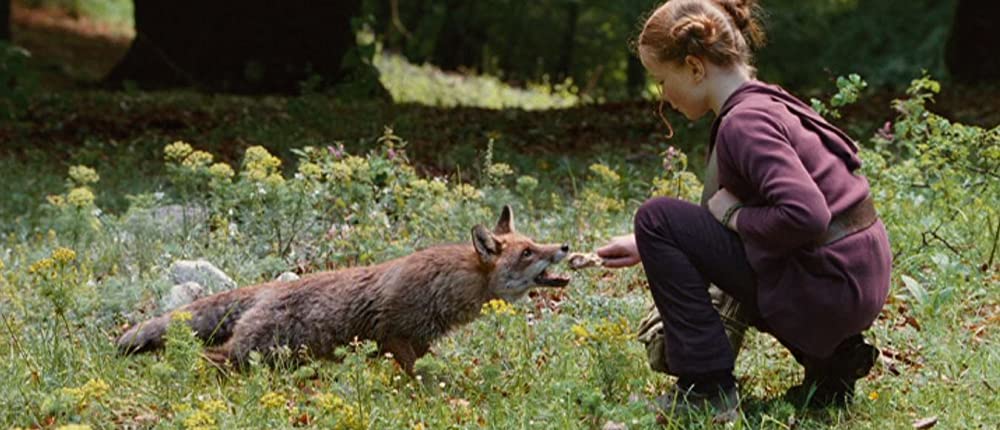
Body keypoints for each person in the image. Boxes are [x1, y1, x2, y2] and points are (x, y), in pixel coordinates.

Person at [595, 0, 892, 421]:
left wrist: (733, 218)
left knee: (656, 217)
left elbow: (806, 215)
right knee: (658, 229)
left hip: (828, 287)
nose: (663, 97)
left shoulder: (744, 123)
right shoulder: (766, 101)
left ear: (695, 69)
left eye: (662, 80)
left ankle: (706, 388)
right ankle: (832, 369)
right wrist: (647, 246)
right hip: (852, 281)